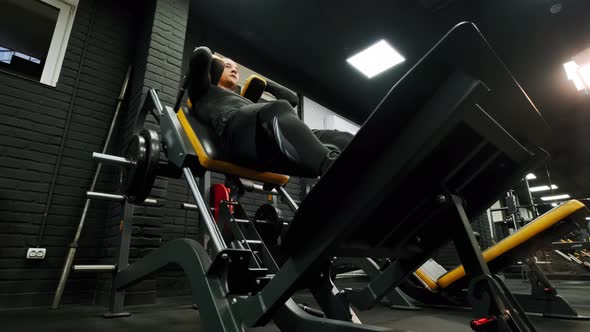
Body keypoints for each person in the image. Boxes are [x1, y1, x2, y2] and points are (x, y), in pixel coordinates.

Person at [188, 47, 353, 177]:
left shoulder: (247, 101)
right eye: (227, 66)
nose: (234, 70)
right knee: (278, 108)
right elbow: (201, 55)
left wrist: (266, 84)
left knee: (339, 138)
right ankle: (330, 166)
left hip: (264, 140)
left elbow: (292, 101)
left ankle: (362, 162)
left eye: (237, 68)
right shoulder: (203, 91)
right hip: (234, 137)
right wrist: (214, 62)